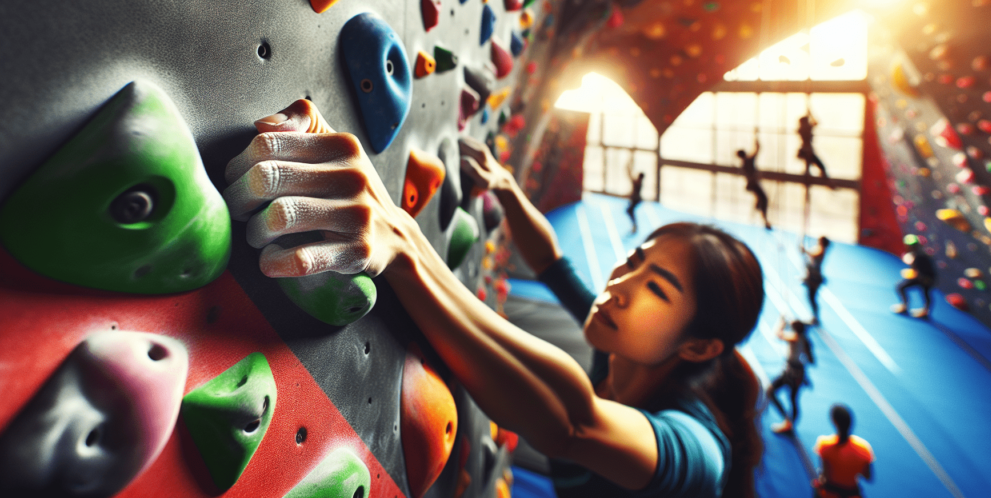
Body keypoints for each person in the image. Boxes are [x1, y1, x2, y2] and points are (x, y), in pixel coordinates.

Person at [223, 100, 767, 498]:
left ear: (697, 348)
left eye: (656, 289)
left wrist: (405, 243)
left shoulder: (699, 456)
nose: (621, 285)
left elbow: (574, 425)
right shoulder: (627, 344)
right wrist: (505, 187)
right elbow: (555, 263)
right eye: (636, 260)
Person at [812, 404, 874, 498]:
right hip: (852, 494)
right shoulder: (864, 448)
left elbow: (825, 476)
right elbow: (868, 477)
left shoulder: (825, 444)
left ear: (834, 422)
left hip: (830, 494)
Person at [765, 317, 814, 435]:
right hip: (798, 372)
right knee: (792, 399)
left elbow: (778, 335)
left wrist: (780, 322)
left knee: (771, 392)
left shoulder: (795, 337)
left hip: (791, 372)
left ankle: (787, 421)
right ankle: (789, 422)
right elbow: (811, 360)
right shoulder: (806, 340)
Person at [891, 235, 937, 318]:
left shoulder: (918, 255)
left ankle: (923, 310)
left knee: (901, 287)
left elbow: (920, 271)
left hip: (926, 279)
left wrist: (912, 274)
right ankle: (908, 306)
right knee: (924, 293)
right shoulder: (916, 253)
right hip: (925, 277)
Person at [736, 140, 771, 230]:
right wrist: (757, 141)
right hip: (753, 184)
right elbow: (757, 150)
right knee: (764, 198)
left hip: (751, 185)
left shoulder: (743, 164)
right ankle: (764, 218)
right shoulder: (748, 160)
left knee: (761, 198)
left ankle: (761, 212)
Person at [796, 114, 835, 188]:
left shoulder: (801, 129)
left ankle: (825, 181)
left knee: (809, 169)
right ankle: (828, 182)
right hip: (808, 151)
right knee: (820, 167)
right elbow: (816, 122)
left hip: (805, 151)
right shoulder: (806, 128)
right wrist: (811, 114)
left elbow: (814, 123)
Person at [802, 237, 831, 324]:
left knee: (812, 297)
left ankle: (815, 317)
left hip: (814, 277)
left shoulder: (821, 250)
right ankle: (814, 316)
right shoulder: (819, 248)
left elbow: (811, 254)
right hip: (812, 275)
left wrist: (804, 250)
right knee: (810, 297)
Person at [626, 168, 645, 235]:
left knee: (629, 211)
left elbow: (631, 177)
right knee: (629, 211)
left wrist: (628, 169)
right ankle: (634, 225)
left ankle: (635, 225)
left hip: (636, 200)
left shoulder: (638, 183)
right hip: (635, 199)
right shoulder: (639, 182)